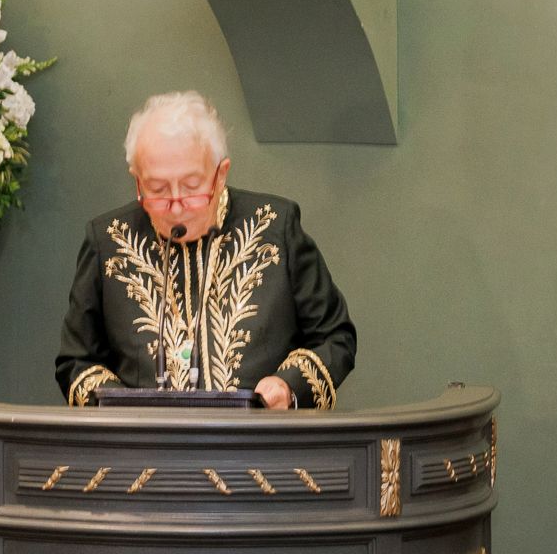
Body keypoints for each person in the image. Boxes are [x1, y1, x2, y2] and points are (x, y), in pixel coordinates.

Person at [54, 91, 355, 409]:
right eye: (157, 189)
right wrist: (120, 408)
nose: (176, 205)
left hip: (260, 449)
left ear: (221, 173)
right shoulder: (108, 241)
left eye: (192, 186)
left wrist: (287, 387)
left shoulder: (275, 226)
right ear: (137, 181)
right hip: (143, 452)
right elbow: (76, 361)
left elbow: (335, 338)